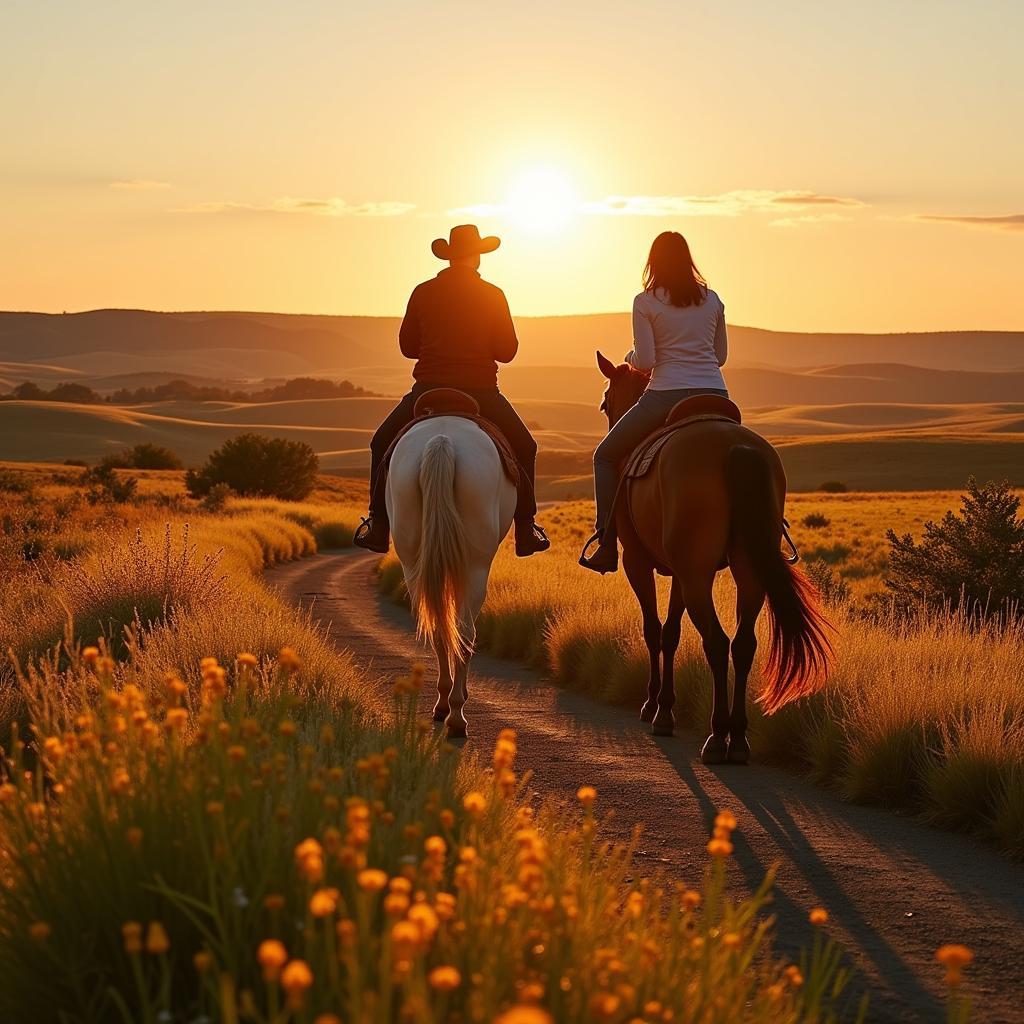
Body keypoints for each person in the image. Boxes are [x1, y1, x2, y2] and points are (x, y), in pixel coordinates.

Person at [354, 224, 550, 557]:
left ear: (448, 257)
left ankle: (377, 525)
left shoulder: (423, 291)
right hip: (482, 393)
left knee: (380, 443)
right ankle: (526, 528)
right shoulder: (493, 293)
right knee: (525, 447)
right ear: (477, 257)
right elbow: (507, 351)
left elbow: (406, 347)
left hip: (428, 389)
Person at [579, 231, 730, 574]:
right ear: (688, 259)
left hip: (666, 395)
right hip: (716, 395)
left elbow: (645, 362)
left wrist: (631, 355)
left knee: (603, 456)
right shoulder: (713, 300)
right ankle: (771, 528)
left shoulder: (645, 302)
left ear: (653, 261)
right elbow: (719, 357)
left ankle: (605, 543)